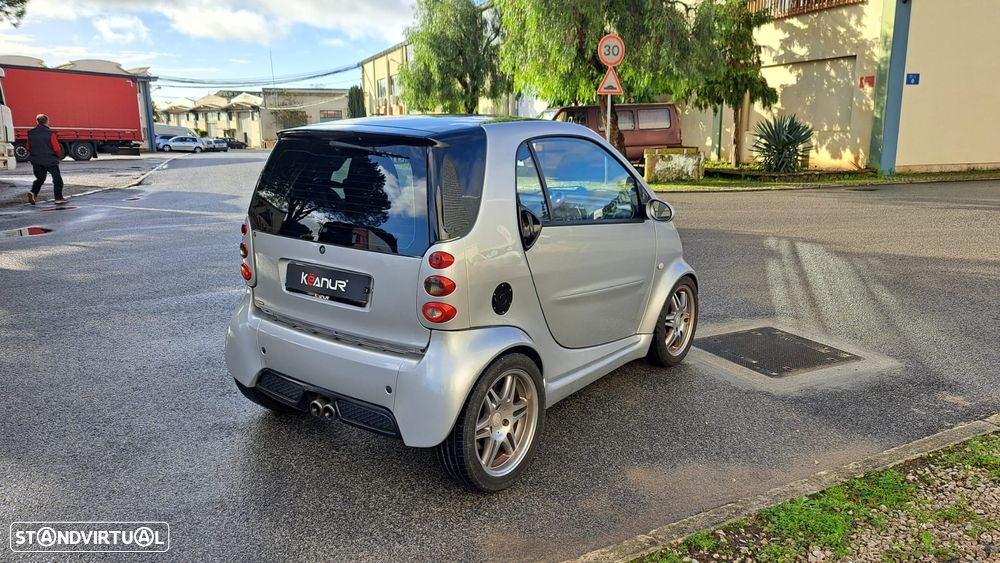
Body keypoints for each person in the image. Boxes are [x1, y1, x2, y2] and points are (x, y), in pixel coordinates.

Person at [25, 114, 67, 205]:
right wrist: (58, 156)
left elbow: (28, 147)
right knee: (57, 180)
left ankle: (33, 192)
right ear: (47, 121)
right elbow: (56, 148)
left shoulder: (31, 133)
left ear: (37, 122)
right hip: (50, 160)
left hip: (36, 160)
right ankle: (58, 198)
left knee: (40, 179)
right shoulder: (50, 133)